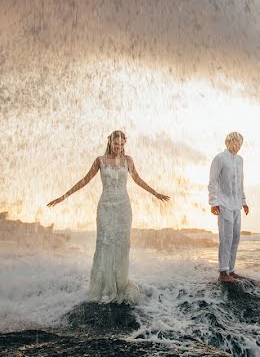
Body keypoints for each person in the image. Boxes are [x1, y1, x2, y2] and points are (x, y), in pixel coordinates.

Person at [47, 130, 169, 303]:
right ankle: (104, 287)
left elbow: (138, 180)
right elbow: (84, 180)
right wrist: (63, 196)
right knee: (104, 246)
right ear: (110, 143)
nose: (118, 148)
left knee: (121, 246)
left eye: (121, 145)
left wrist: (156, 194)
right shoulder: (100, 160)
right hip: (105, 207)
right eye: (115, 144)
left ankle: (120, 285)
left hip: (123, 208)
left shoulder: (128, 161)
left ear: (124, 145)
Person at [208, 131, 249, 283]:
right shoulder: (219, 158)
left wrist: (244, 202)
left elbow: (240, 183)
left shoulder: (240, 160)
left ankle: (231, 270)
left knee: (236, 238)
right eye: (235, 142)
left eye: (240, 143)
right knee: (226, 238)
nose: (238, 146)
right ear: (228, 142)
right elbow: (212, 181)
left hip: (236, 204)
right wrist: (213, 203)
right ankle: (223, 272)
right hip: (223, 204)